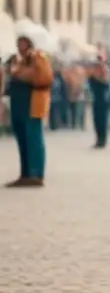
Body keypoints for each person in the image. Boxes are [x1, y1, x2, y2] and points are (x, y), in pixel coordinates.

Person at [4, 34, 53, 187]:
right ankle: (25, 173)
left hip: (31, 104)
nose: (20, 46)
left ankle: (35, 173)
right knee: (22, 139)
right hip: (19, 103)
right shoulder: (18, 60)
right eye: (19, 43)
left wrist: (20, 72)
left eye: (23, 43)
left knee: (33, 138)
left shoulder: (38, 57)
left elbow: (44, 78)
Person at [88, 53, 110, 148]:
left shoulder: (104, 69)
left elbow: (107, 82)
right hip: (96, 99)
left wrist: (97, 77)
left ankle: (102, 140)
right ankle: (98, 139)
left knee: (102, 121)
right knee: (96, 120)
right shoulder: (94, 70)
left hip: (103, 99)